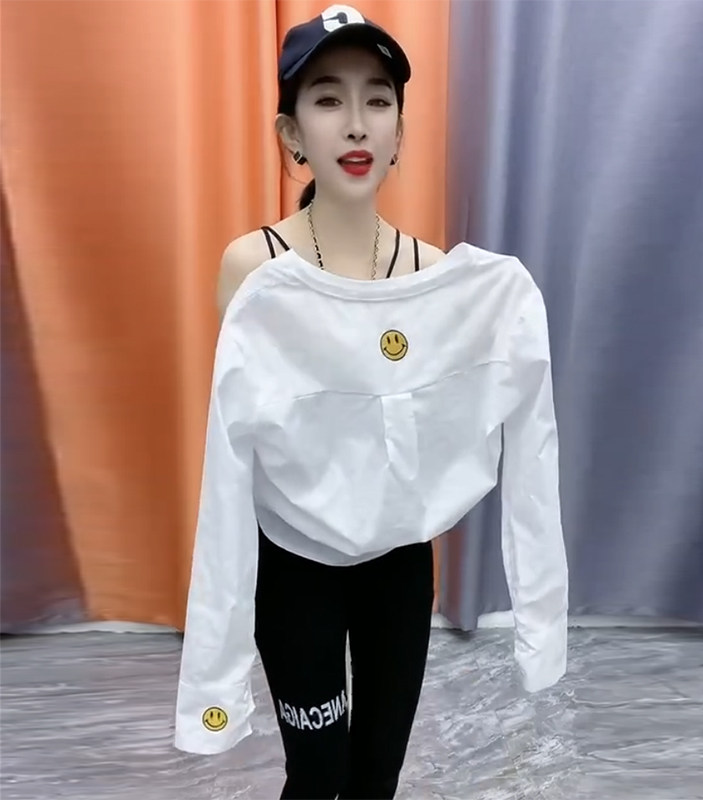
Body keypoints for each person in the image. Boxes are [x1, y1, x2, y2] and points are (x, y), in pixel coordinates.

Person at [174, 6, 569, 800]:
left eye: (378, 99)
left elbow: (508, 434)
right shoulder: (254, 270)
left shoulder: (440, 279)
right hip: (294, 565)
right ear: (291, 135)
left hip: (398, 565)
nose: (356, 122)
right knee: (317, 774)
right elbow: (232, 459)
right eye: (328, 98)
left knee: (377, 776)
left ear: (399, 132)